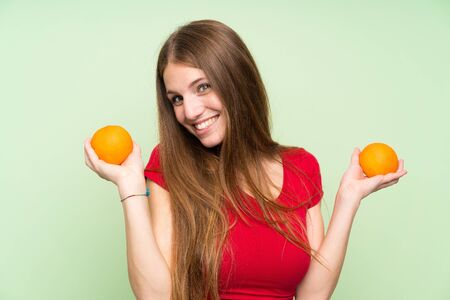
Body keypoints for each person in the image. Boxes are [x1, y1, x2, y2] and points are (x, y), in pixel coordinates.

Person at [83, 19, 407, 300]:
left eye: (203, 87)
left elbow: (312, 294)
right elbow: (156, 296)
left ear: (237, 81)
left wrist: (348, 200)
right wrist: (130, 188)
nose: (190, 111)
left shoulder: (302, 166)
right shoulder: (170, 164)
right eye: (177, 99)